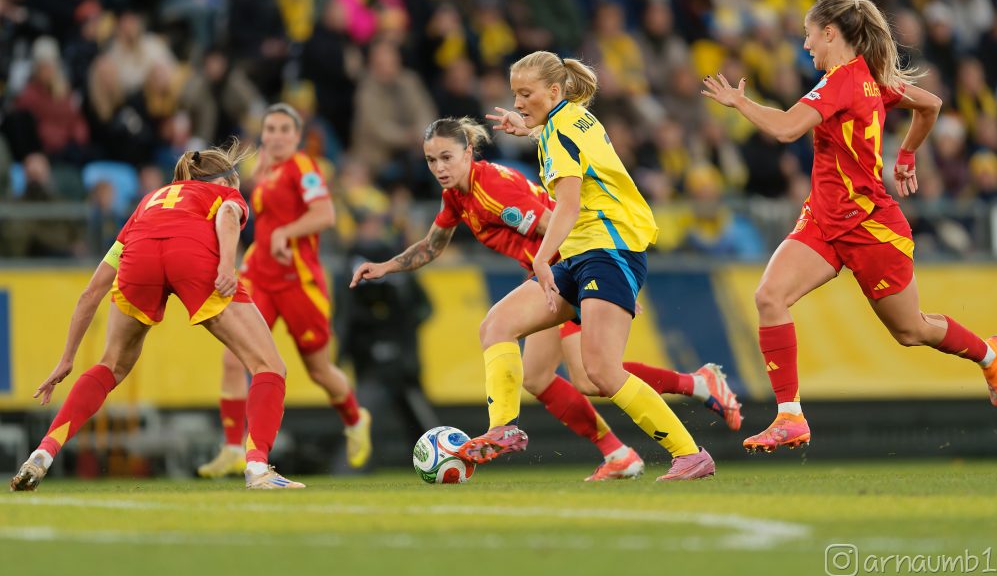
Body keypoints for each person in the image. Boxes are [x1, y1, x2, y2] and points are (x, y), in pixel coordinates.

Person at [700, 0, 997, 453]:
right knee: (769, 297)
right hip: (824, 221)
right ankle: (790, 417)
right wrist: (905, 154)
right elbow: (931, 105)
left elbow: (787, 128)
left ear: (830, 32)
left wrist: (739, 104)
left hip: (871, 227)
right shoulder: (872, 79)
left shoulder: (841, 83)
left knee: (911, 331)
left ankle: (990, 353)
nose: (806, 45)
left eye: (809, 34)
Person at [351, 117, 741, 480]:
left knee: (592, 374)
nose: (439, 167)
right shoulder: (457, 195)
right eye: (431, 160)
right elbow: (433, 245)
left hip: (567, 268)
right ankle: (621, 448)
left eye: (447, 157)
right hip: (555, 274)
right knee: (541, 375)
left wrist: (606, 284)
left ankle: (691, 391)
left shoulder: (494, 190)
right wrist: (386, 266)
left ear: (469, 152)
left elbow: (551, 222)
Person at [454, 51, 716, 481]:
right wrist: (531, 128)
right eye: (515, 93)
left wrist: (540, 258)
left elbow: (570, 204)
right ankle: (501, 429)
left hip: (608, 251)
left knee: (601, 371)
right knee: (497, 326)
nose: (518, 102)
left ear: (554, 91)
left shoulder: (560, 131)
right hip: (585, 253)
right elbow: (565, 145)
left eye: (526, 94)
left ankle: (690, 454)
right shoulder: (571, 117)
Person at [11, 143, 303, 491]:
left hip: (141, 260)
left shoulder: (149, 201)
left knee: (112, 365)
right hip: (192, 258)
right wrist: (227, 264)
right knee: (269, 366)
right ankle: (257, 469)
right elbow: (227, 213)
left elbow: (92, 291)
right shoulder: (221, 193)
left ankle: (43, 453)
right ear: (227, 180)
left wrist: (67, 358)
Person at [198, 104, 371, 478]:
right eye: (269, 129)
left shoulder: (304, 168)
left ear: (296, 136)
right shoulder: (260, 171)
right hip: (260, 275)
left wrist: (284, 233)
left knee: (320, 370)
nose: (275, 136)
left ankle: (356, 420)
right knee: (233, 356)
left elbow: (325, 215)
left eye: (282, 130)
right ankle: (232, 447)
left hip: (298, 283)